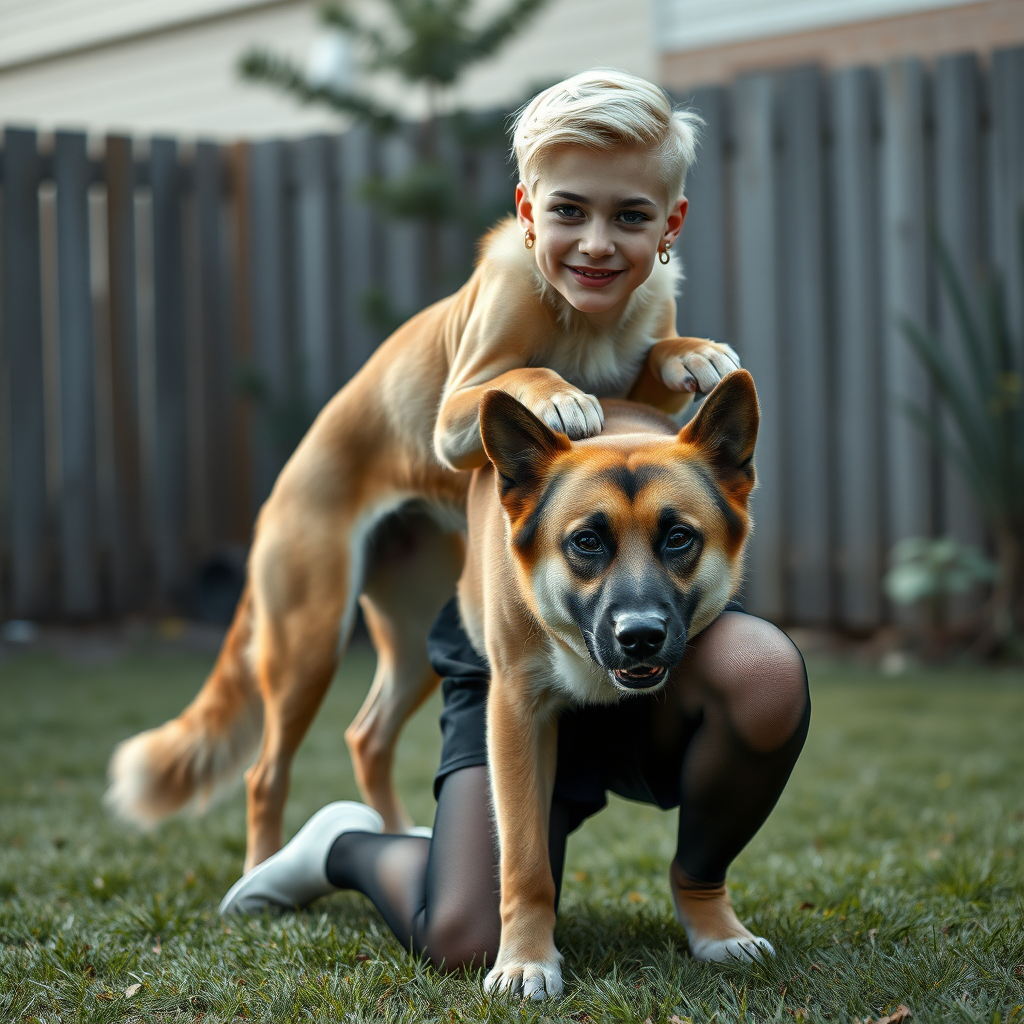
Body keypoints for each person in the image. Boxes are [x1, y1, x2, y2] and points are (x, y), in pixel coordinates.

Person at [218, 70, 811, 973]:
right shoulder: (512, 293)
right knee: (463, 939)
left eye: (631, 219)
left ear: (670, 224)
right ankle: (334, 839)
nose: (599, 246)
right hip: (506, 617)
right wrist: (532, 387)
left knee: (767, 674)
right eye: (569, 212)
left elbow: (657, 421)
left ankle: (703, 894)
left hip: (616, 623)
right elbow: (461, 427)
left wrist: (675, 368)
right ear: (527, 211)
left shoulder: (651, 300)